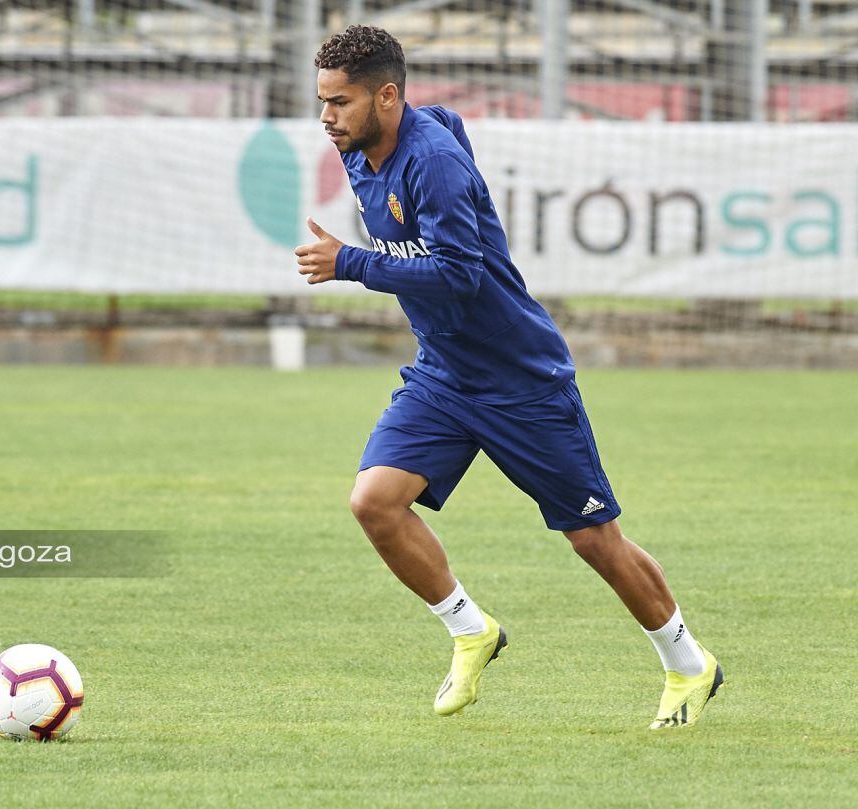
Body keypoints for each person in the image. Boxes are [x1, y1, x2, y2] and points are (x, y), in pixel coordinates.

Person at [294, 25, 723, 729]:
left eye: (339, 103)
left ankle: (688, 663)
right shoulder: (367, 149)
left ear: (388, 96)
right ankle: (471, 629)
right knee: (374, 502)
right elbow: (449, 127)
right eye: (322, 101)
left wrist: (351, 263)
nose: (326, 117)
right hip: (444, 376)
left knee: (594, 540)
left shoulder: (430, 163)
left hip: (522, 380)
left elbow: (459, 276)